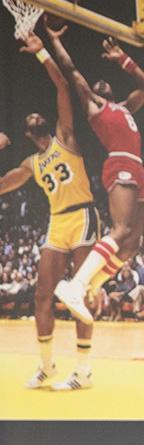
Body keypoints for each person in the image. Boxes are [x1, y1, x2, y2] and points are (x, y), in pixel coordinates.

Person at [0, 32, 99, 391]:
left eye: (37, 113)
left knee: (81, 295)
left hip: (84, 214)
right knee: (43, 296)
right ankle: (46, 366)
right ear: (27, 133)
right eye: (30, 117)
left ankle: (84, 371)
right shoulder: (29, 164)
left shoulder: (65, 135)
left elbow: (61, 84)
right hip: (58, 222)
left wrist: (42, 51)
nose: (36, 114)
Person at [44, 25, 144, 324]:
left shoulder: (125, 108)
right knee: (119, 230)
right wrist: (54, 42)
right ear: (93, 93)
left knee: (132, 244)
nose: (101, 81)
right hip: (119, 163)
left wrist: (122, 58)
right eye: (96, 82)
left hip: (137, 167)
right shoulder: (96, 106)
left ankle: (91, 285)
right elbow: (70, 70)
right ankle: (76, 285)